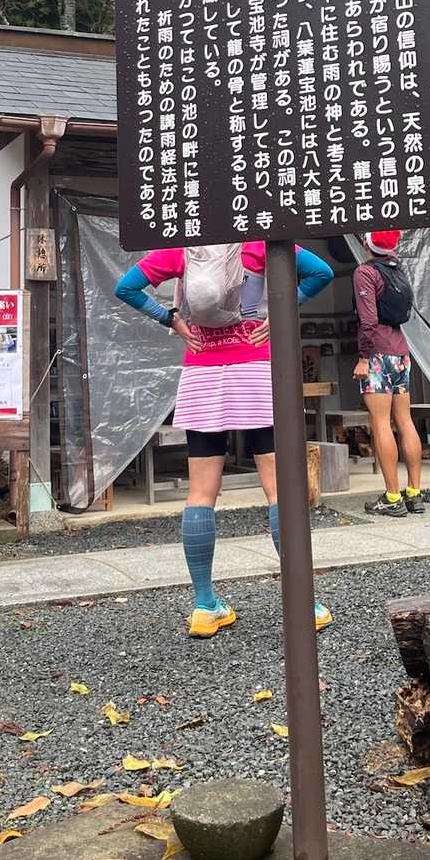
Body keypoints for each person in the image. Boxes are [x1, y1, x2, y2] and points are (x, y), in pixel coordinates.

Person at [115, 242, 334, 637]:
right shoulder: (258, 241)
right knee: (278, 488)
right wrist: (282, 311)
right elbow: (322, 272)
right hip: (256, 370)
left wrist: (171, 320)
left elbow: (126, 287)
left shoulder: (182, 246)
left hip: (201, 373)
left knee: (200, 493)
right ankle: (303, 602)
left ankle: (204, 606)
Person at [353, 230, 425, 517]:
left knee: (381, 423)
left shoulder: (365, 272)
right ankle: (415, 494)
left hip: (378, 355)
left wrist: (363, 358)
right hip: (401, 352)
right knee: (405, 420)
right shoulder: (397, 269)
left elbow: (368, 320)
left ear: (366, 243)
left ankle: (392, 497)